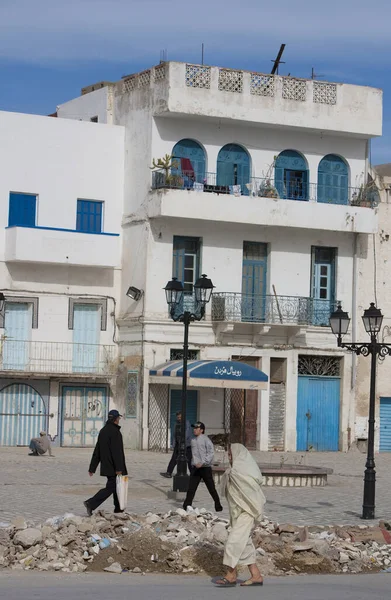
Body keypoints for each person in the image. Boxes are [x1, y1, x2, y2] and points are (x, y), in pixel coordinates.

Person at [215, 443, 265, 587]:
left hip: (248, 512)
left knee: (233, 541)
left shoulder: (242, 472)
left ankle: (231, 575)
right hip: (238, 513)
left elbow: (252, 494)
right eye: (228, 454)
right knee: (244, 544)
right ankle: (256, 576)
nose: (229, 457)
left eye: (231, 454)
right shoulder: (233, 471)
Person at [84, 409, 127, 516]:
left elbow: (97, 451)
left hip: (107, 466)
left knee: (117, 487)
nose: (119, 420)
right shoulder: (115, 432)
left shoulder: (103, 431)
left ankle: (119, 509)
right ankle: (91, 503)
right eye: (118, 418)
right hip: (114, 467)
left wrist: (92, 467)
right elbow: (117, 452)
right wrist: (118, 468)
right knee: (112, 488)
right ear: (115, 419)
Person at [183, 421, 223, 512]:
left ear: (202, 430)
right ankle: (186, 505)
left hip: (205, 468)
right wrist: (193, 463)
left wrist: (203, 462)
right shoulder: (192, 440)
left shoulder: (206, 440)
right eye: (194, 428)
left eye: (197, 428)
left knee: (211, 488)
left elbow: (211, 453)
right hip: (195, 468)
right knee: (191, 488)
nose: (194, 430)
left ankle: (218, 505)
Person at [160, 411, 193, 478]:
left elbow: (187, 434)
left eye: (180, 417)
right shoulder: (177, 424)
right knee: (174, 458)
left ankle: (194, 475)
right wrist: (174, 444)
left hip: (186, 445)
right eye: (178, 417)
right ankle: (169, 472)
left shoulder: (186, 423)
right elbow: (175, 435)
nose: (179, 418)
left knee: (189, 460)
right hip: (178, 445)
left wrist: (182, 442)